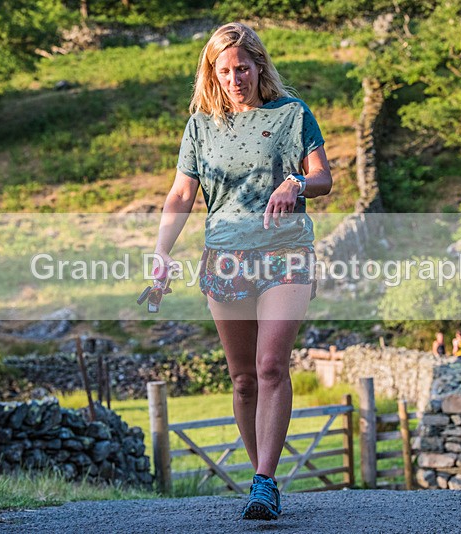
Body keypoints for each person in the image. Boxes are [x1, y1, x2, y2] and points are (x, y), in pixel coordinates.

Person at [151, 22, 332, 520]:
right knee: (243, 380)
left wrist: (296, 182)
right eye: (224, 70)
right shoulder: (199, 126)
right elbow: (182, 195)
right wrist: (162, 253)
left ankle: (264, 480)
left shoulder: (292, 114)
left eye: (243, 69)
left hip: (285, 253)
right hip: (225, 258)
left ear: (259, 66)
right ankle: (261, 481)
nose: (235, 79)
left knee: (272, 365)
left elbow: (324, 177)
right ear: (213, 72)